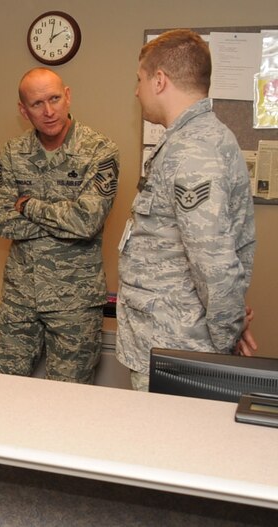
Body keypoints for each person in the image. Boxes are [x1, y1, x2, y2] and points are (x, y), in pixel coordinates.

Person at [117, 29, 256, 391]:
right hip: (168, 342)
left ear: (159, 80)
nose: (136, 91)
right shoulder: (193, 140)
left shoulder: (193, 151)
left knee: (164, 445)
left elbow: (215, 263)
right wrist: (232, 320)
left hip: (178, 350)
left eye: (139, 79)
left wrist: (226, 335)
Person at [0, 68, 120, 384]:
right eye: (37, 104)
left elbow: (87, 221)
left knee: (67, 406)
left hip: (74, 302)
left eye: (55, 99)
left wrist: (29, 206)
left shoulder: (100, 151)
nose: (48, 111)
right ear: (23, 110)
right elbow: (3, 221)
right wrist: (66, 221)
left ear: (68, 96)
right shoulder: (12, 152)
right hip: (19, 297)